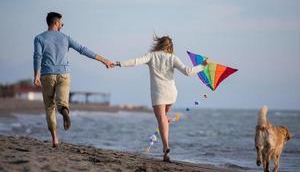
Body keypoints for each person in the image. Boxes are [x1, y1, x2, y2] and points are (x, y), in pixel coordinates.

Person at [113, 36, 208, 162]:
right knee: (163, 119)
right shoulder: (173, 57)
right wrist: (202, 66)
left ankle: (165, 146)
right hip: (172, 93)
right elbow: (188, 71)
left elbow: (135, 61)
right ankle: (165, 152)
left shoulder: (152, 55)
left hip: (158, 93)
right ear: (170, 46)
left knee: (162, 119)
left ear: (159, 44)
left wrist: (119, 63)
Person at [33, 12, 114, 148]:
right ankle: (64, 109)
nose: (62, 26)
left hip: (47, 75)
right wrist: (104, 60)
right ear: (56, 23)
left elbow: (37, 56)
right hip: (64, 74)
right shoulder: (66, 38)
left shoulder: (39, 38)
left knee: (49, 107)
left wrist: (36, 75)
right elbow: (83, 50)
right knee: (62, 102)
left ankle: (55, 139)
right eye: (62, 23)